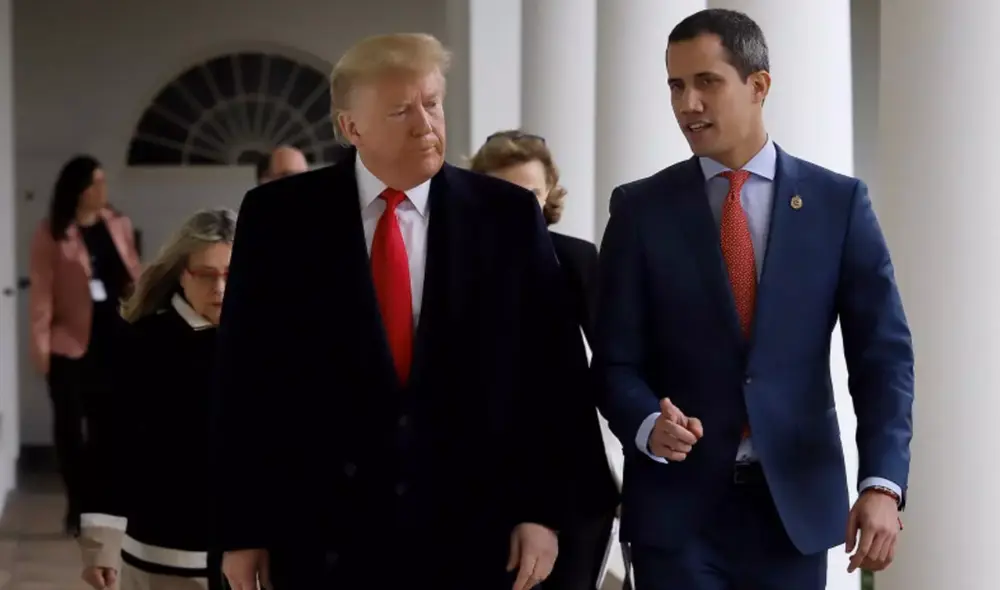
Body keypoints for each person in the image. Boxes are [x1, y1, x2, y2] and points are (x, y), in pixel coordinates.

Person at [214, 33, 603, 590]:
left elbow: (552, 374)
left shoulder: (508, 216)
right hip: (321, 531)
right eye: (401, 111)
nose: (426, 125)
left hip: (476, 531)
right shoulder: (279, 218)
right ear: (351, 127)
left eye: (432, 103)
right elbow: (244, 380)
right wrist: (244, 529)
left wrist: (542, 512)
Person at [594, 9, 914, 590]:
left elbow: (883, 357)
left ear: (758, 84)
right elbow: (614, 361)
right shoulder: (640, 210)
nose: (687, 103)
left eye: (706, 82)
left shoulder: (837, 204)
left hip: (792, 512)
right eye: (675, 86)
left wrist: (882, 484)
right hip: (677, 516)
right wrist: (646, 423)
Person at [470, 129, 620, 590]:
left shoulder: (575, 258)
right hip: (484, 484)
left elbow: (615, 360)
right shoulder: (459, 265)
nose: (520, 209)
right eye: (505, 194)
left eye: (531, 195)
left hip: (575, 481)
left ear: (549, 193)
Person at [78, 208, 236, 590]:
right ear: (182, 274)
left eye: (231, 273)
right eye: (206, 274)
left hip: (250, 561)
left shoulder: (270, 344)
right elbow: (108, 445)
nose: (220, 287)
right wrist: (100, 546)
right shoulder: (141, 344)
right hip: (163, 557)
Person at [28, 155, 142, 536]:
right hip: (69, 345)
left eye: (103, 181)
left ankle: (104, 506)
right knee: (70, 431)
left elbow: (134, 275)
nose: (102, 189)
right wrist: (40, 346)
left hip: (114, 342)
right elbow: (42, 294)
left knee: (108, 429)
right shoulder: (53, 232)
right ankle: (77, 505)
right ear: (78, 190)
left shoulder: (118, 224)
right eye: (95, 182)